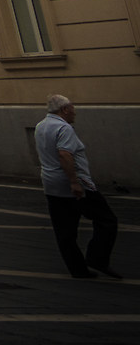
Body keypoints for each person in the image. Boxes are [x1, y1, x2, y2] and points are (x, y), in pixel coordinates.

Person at [38, 94, 121, 280]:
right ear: (65, 109)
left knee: (65, 230)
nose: (75, 112)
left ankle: (77, 270)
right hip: (75, 185)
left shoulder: (40, 126)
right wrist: (74, 182)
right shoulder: (63, 127)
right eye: (73, 108)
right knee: (107, 220)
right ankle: (97, 258)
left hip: (51, 185)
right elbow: (65, 155)